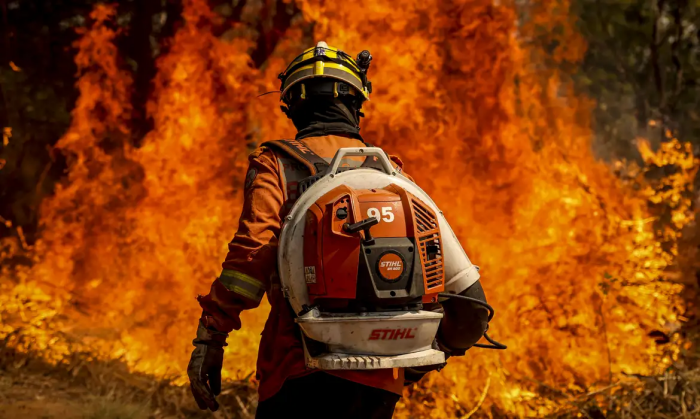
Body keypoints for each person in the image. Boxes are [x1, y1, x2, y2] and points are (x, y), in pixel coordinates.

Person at [187, 42, 490, 419]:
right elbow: (473, 308)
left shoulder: (277, 165)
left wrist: (211, 338)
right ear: (357, 103)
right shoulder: (394, 178)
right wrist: (418, 356)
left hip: (296, 369)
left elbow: (249, 259)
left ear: (292, 106)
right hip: (380, 383)